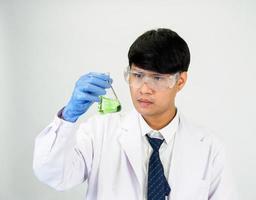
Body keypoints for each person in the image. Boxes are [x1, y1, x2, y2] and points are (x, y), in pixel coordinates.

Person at [33, 28, 236, 200]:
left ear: (180, 81)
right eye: (137, 75)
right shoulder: (99, 132)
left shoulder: (210, 148)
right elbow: (53, 174)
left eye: (157, 78)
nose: (144, 89)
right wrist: (68, 117)